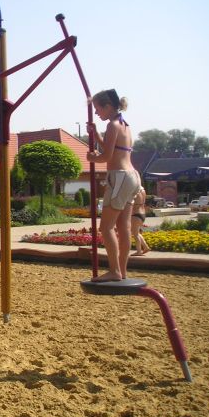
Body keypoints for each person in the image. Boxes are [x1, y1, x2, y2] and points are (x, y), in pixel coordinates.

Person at [86, 89, 140, 282]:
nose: (96, 113)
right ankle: (122, 271)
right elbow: (114, 149)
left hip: (119, 178)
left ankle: (114, 271)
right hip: (132, 177)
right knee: (123, 227)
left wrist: (92, 158)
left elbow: (106, 156)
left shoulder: (112, 125)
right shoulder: (124, 125)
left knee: (106, 227)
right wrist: (96, 135)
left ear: (108, 106)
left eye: (97, 108)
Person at [131, 186, 150, 256]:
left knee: (135, 234)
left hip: (136, 214)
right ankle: (145, 247)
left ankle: (139, 251)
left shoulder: (134, 191)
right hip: (142, 214)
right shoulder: (143, 190)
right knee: (137, 232)